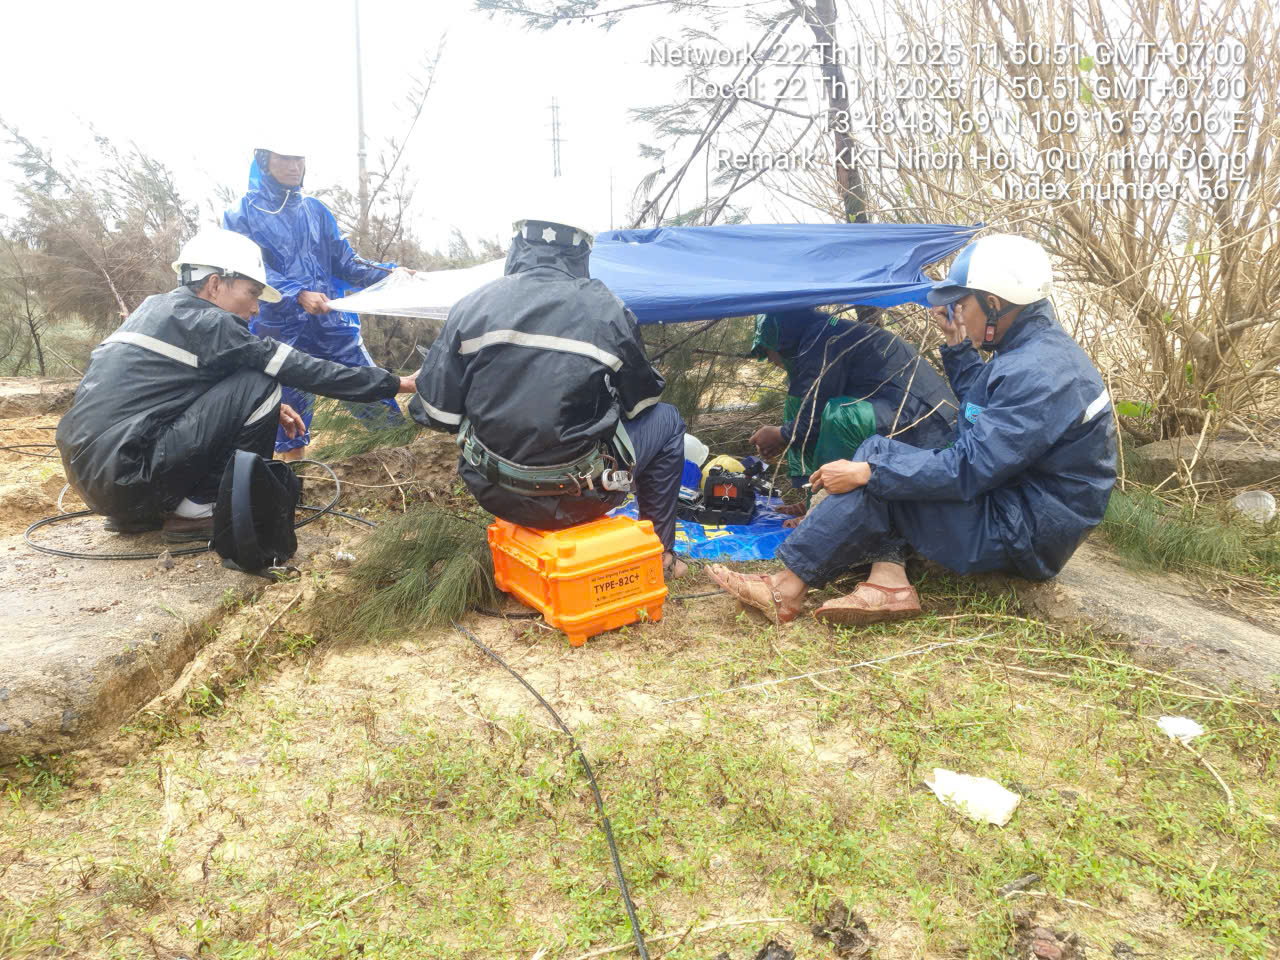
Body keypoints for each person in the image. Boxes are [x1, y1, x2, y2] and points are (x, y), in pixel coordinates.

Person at [708, 234, 1117, 624]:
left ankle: (788, 588)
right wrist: (958, 348)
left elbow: (970, 468)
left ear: (993, 303)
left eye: (963, 303)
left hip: (1029, 530)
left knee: (876, 470)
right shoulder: (1030, 353)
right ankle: (887, 581)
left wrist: (869, 472)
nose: (958, 312)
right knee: (876, 451)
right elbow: (979, 414)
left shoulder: (1039, 371)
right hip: (1018, 502)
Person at [56, 229, 417, 543]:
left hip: (95, 479)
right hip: (131, 474)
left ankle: (142, 512)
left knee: (252, 390)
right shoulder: (211, 324)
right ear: (215, 284)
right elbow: (304, 370)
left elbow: (167, 395)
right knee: (260, 382)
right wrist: (397, 383)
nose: (256, 309)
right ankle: (201, 508)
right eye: (252, 293)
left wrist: (259, 410)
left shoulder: (155, 310)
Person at [409, 218, 689, 578]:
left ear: (519, 245)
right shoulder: (609, 310)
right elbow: (641, 402)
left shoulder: (471, 306)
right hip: (583, 497)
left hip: (494, 491)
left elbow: (437, 414)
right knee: (667, 420)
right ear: (582, 252)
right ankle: (661, 556)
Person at [223, 143, 405, 461]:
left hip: (331, 324)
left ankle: (403, 466)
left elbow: (345, 261)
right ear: (265, 161)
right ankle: (295, 484)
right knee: (289, 413)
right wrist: (296, 293)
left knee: (367, 387)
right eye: (285, 158)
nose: (294, 166)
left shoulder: (315, 210)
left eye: (299, 158)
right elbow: (248, 269)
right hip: (278, 329)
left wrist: (392, 276)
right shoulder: (241, 214)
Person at [746, 307, 958, 522]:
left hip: (922, 419)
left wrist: (782, 434)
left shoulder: (822, 339)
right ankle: (814, 494)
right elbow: (809, 407)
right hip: (895, 408)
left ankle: (827, 507)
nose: (770, 360)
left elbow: (816, 415)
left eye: (767, 351)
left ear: (782, 341)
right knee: (803, 406)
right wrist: (787, 433)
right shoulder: (821, 333)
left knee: (841, 416)